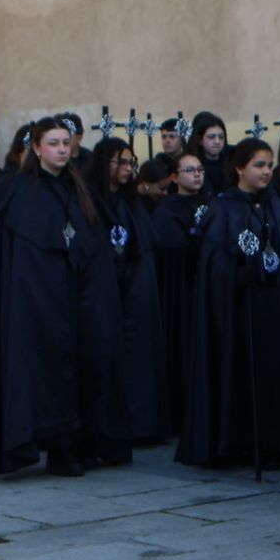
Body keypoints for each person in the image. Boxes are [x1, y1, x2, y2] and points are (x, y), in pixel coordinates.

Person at [0, 116, 119, 477]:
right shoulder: (16, 191)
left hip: (76, 298)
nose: (62, 149)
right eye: (53, 143)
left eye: (66, 143)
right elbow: (12, 258)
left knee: (81, 366)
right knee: (41, 374)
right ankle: (50, 445)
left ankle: (74, 445)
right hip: (35, 301)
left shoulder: (79, 188)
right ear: (35, 148)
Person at [178, 138, 280, 469]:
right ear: (239, 168)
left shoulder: (274, 205)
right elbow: (211, 262)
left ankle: (272, 441)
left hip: (270, 303)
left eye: (270, 165)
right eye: (259, 165)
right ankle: (237, 441)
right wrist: (235, 273)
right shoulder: (223, 208)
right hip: (237, 308)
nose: (266, 172)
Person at [86, 137, 166, 446]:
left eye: (130, 162)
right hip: (104, 287)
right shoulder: (91, 199)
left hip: (132, 288)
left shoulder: (131, 201)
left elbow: (141, 243)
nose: (127, 168)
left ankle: (139, 423)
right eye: (120, 161)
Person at [149, 151, 209, 436]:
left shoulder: (213, 203)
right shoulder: (167, 210)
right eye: (189, 170)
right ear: (175, 177)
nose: (196, 175)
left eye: (199, 170)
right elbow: (173, 247)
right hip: (183, 289)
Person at [185, 111, 231, 195]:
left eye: (221, 137)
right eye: (211, 137)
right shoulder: (191, 164)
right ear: (200, 140)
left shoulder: (231, 159)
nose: (217, 141)